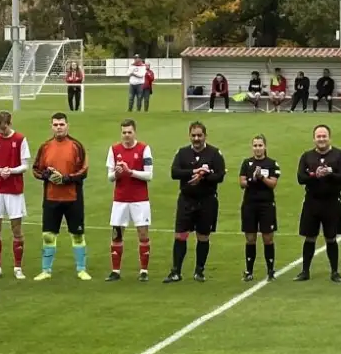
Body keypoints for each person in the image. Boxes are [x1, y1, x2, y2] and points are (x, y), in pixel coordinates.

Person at [31, 112, 90, 281]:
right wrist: (47, 176)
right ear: (51, 126)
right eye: (56, 124)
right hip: (51, 198)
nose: (59, 127)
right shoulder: (45, 147)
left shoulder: (76, 146)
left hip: (73, 198)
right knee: (49, 235)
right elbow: (36, 169)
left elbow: (84, 171)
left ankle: (81, 269)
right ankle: (46, 270)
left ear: (67, 125)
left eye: (61, 124)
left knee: (77, 235)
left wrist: (66, 179)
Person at [165, 121, 225, 283]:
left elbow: (220, 176)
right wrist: (194, 171)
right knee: (181, 235)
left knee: (203, 236)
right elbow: (174, 172)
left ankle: (199, 270)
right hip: (186, 200)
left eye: (199, 135)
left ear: (205, 136)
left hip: (207, 201)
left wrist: (204, 176)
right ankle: (176, 271)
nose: (196, 138)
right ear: (189, 136)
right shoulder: (183, 153)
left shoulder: (214, 153)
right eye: (194, 135)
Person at [295, 124, 341, 282]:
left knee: (331, 237)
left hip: (332, 202)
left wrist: (330, 173)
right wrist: (315, 175)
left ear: (329, 137)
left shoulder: (339, 155)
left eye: (324, 136)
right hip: (312, 202)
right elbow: (300, 178)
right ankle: (305, 271)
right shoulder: (306, 156)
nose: (321, 139)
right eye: (318, 136)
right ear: (314, 139)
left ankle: (334, 272)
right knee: (309, 237)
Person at [0, 110, 30, 280]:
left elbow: (25, 165)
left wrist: (12, 171)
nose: (2, 131)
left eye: (4, 128)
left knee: (16, 228)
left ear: (10, 123)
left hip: (14, 190)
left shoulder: (20, 139)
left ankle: (17, 267)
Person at [107, 118, 152, 281]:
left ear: (135, 132)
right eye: (124, 132)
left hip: (140, 200)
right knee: (117, 234)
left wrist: (130, 171)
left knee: (143, 234)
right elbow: (110, 177)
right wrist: (117, 174)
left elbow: (149, 175)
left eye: (129, 132)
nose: (126, 135)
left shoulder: (144, 149)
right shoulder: (113, 150)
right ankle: (116, 271)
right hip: (120, 200)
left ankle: (144, 271)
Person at [239, 134, 280, 282]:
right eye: (255, 145)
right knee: (250, 238)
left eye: (260, 145)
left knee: (267, 238)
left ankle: (270, 271)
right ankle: (249, 271)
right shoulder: (246, 163)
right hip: (249, 204)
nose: (258, 148)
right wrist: (252, 179)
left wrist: (262, 178)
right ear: (252, 147)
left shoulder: (272, 164)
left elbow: (273, 184)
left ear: (265, 147)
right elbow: (242, 182)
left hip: (266, 205)